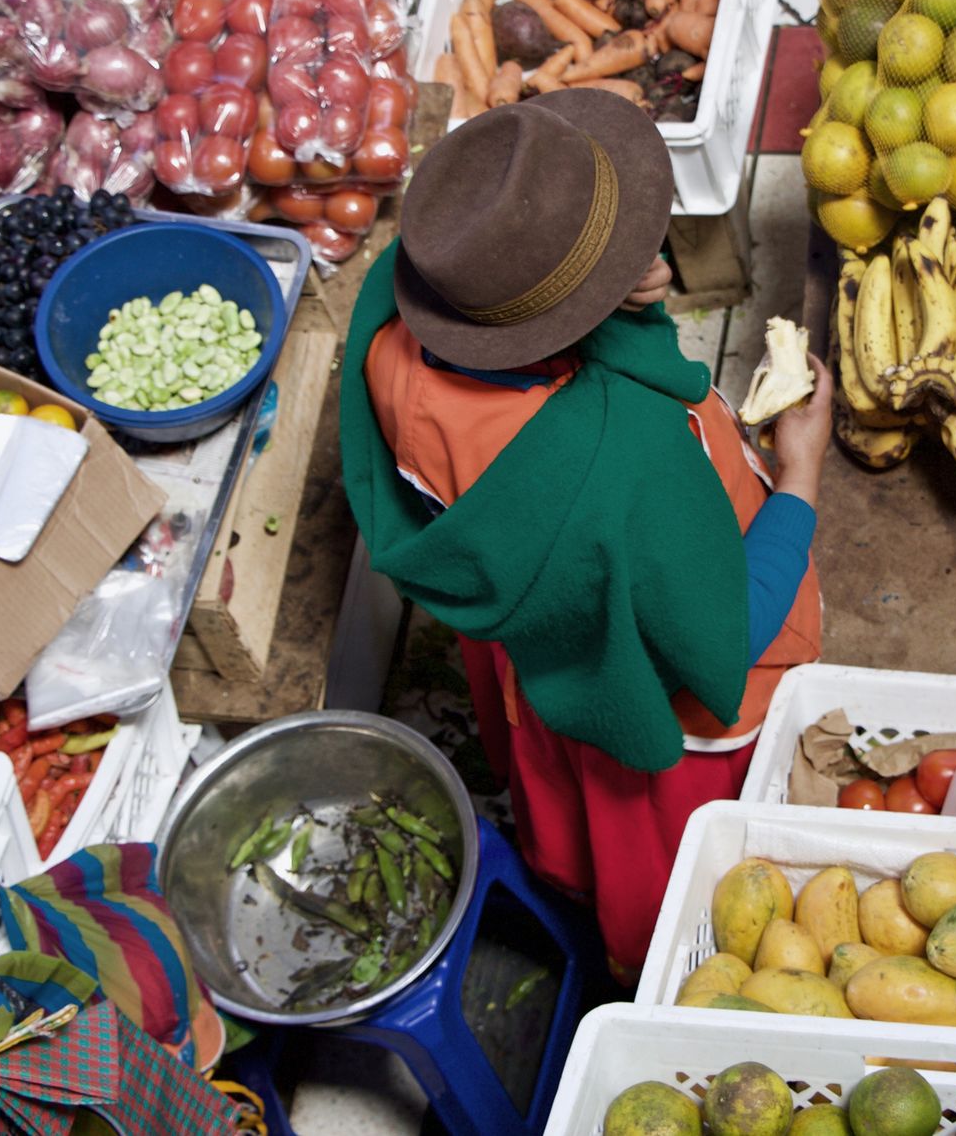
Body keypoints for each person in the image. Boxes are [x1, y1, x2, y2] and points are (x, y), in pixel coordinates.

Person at [340, 88, 829, 980]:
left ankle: (567, 875)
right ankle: (651, 958)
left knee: (575, 800)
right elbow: (721, 633)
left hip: (550, 657)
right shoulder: (617, 470)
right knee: (673, 857)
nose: (652, 250)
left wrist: (621, 300)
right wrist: (799, 478)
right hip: (667, 703)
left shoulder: (398, 335)